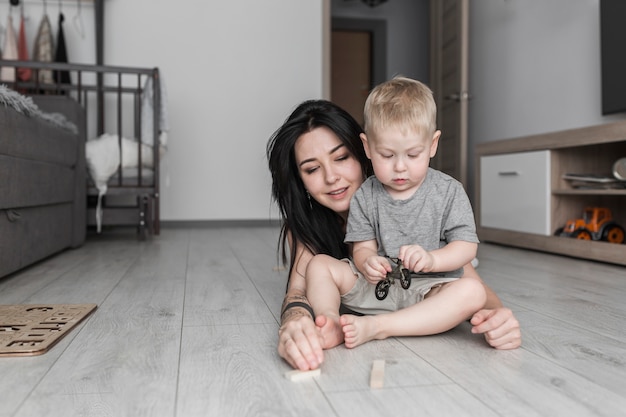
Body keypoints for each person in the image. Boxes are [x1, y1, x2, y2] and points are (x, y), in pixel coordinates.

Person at [266, 99, 521, 371]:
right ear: (300, 179)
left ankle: (384, 324)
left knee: (467, 290)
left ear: (363, 152)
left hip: (427, 283)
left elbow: (469, 277)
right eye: (312, 169)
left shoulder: (413, 199)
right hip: (375, 291)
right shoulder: (307, 223)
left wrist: (496, 317)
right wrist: (296, 326)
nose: (331, 177)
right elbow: (298, 290)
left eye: (341, 158)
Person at [305, 77, 484, 350]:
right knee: (318, 264)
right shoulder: (365, 194)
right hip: (377, 289)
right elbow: (362, 248)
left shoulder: (449, 191)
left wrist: (432, 259)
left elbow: (466, 247)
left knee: (472, 292)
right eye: (387, 155)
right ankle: (330, 321)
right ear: (367, 147)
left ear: (433, 144)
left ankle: (379, 327)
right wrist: (366, 262)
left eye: (413, 155)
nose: (400, 167)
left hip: (429, 292)